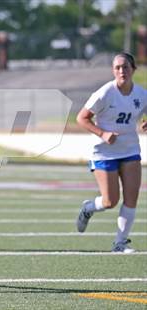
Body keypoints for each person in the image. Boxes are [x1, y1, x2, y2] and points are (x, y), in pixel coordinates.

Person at [76, 52, 147, 253]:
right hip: (104, 152)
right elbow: (82, 118)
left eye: (125, 67)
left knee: (132, 198)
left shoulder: (141, 94)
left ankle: (120, 243)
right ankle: (88, 208)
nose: (121, 71)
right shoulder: (105, 93)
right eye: (117, 67)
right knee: (110, 201)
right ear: (113, 71)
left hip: (130, 150)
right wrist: (103, 133)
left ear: (133, 69)